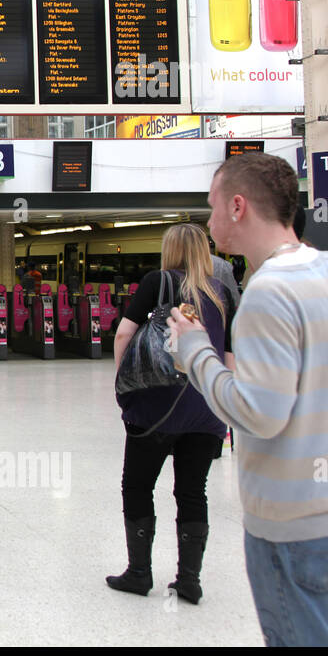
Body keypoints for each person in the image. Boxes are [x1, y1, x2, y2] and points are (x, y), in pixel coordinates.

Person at [169, 152, 328, 646]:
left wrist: (195, 353)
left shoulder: (268, 293)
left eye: (212, 206)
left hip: (295, 523)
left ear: (238, 207)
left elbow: (259, 413)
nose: (209, 218)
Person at [107, 224, 234, 604]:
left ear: (170, 250)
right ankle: (189, 580)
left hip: (155, 405)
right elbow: (230, 355)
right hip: (206, 408)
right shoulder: (223, 293)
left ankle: (139, 573)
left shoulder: (156, 282)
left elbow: (123, 334)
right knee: (194, 492)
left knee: (138, 485)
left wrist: (123, 381)